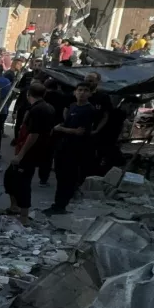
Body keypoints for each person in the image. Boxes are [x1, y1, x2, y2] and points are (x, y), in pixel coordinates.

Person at [4, 83, 54, 225]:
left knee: (23, 183)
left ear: (28, 94)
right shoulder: (46, 107)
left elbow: (34, 135)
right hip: (33, 150)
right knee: (10, 177)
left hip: (29, 152)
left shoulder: (37, 110)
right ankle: (14, 207)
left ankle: (23, 217)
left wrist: (20, 155)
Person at [45, 82, 96, 215]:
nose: (82, 93)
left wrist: (61, 129)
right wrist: (63, 127)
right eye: (79, 90)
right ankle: (58, 203)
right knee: (60, 175)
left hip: (76, 148)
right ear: (75, 92)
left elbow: (80, 132)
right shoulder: (73, 106)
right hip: (64, 145)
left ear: (90, 94)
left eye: (85, 90)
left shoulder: (89, 110)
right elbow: (70, 126)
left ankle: (60, 205)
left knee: (68, 177)